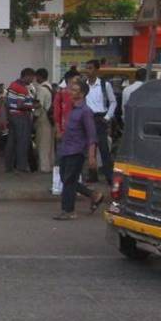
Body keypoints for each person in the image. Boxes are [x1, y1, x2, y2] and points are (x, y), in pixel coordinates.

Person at [54, 79, 104, 220]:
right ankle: (94, 195)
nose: (70, 92)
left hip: (76, 151)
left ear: (82, 94)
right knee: (65, 179)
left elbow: (91, 135)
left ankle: (68, 211)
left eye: (74, 90)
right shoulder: (73, 109)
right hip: (66, 148)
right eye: (71, 89)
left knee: (69, 181)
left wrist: (92, 156)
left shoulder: (86, 111)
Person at [84, 59, 117, 182]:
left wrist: (107, 117)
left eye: (91, 68)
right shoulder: (84, 85)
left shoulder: (104, 85)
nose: (88, 71)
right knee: (89, 149)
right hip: (87, 118)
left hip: (100, 118)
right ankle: (92, 175)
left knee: (103, 149)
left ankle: (109, 176)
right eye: (87, 68)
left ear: (97, 70)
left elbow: (113, 102)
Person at [4, 68, 37, 173]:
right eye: (32, 77)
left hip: (12, 115)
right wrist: (33, 106)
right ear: (27, 76)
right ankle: (21, 167)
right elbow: (20, 104)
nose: (32, 80)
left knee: (11, 142)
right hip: (21, 116)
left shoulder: (12, 84)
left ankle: (8, 167)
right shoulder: (22, 88)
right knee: (23, 142)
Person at [33, 68, 55, 173]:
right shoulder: (50, 87)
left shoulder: (41, 89)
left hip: (43, 117)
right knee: (50, 143)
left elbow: (38, 105)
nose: (35, 79)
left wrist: (34, 118)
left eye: (36, 76)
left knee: (42, 143)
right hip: (51, 118)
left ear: (40, 76)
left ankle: (44, 167)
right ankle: (50, 164)